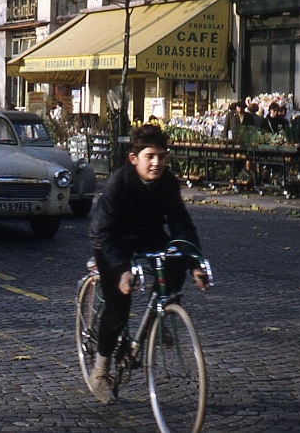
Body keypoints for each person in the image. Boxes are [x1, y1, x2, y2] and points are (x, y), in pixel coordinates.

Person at [88, 124, 210, 404]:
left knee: (175, 258)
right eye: (150, 156)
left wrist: (195, 264)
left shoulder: (167, 182)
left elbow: (182, 226)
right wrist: (120, 271)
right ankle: (100, 370)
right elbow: (103, 231)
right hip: (112, 240)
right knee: (118, 305)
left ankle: (162, 313)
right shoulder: (119, 183)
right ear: (134, 159)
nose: (157, 163)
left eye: (163, 157)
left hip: (149, 237)